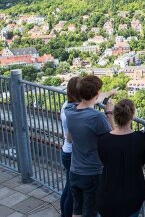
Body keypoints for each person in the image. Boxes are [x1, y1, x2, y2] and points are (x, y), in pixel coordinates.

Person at [66, 76, 114, 217]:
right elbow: (112, 139)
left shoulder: (70, 110)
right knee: (91, 212)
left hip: (75, 170)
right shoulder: (97, 117)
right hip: (92, 172)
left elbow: (69, 138)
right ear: (97, 94)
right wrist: (109, 113)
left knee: (77, 210)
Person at [97, 99, 145, 217]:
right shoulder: (140, 139)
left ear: (115, 115)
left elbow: (105, 160)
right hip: (133, 196)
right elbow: (141, 161)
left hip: (107, 197)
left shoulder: (103, 140)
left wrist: (109, 115)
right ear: (132, 116)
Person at [60, 76, 80, 217]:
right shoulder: (74, 111)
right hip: (72, 154)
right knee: (73, 193)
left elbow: (95, 98)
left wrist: (109, 93)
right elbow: (70, 137)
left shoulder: (67, 104)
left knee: (68, 189)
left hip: (66, 151)